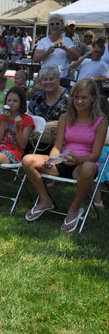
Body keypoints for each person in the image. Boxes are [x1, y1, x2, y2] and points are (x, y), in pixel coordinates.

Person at [22, 78, 107, 232]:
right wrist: (52, 159)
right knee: (28, 160)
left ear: (93, 98)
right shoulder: (65, 118)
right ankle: (45, 200)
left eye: (84, 97)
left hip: (83, 165)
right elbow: (57, 146)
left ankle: (74, 209)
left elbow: (95, 155)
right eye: (76, 97)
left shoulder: (100, 121)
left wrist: (78, 159)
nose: (79, 101)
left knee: (88, 167)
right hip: (62, 160)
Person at [28, 66, 70, 149]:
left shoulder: (68, 98)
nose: (48, 82)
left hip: (59, 143)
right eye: (45, 79)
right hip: (34, 141)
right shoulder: (37, 96)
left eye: (51, 79)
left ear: (58, 80)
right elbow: (29, 117)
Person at [33, 14, 78, 83]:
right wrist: (47, 52)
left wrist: (65, 48)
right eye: (52, 24)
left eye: (57, 24)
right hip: (46, 78)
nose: (54, 26)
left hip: (62, 77)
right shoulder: (43, 41)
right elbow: (35, 59)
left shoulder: (67, 41)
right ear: (49, 26)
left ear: (62, 25)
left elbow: (75, 57)